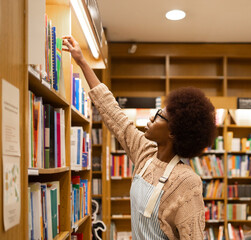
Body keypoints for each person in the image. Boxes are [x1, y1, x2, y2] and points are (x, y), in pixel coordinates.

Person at [63, 35, 217, 240]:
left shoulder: (187, 181)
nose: (151, 117)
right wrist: (82, 62)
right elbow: (112, 112)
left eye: (160, 116)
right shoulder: (145, 153)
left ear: (173, 131)